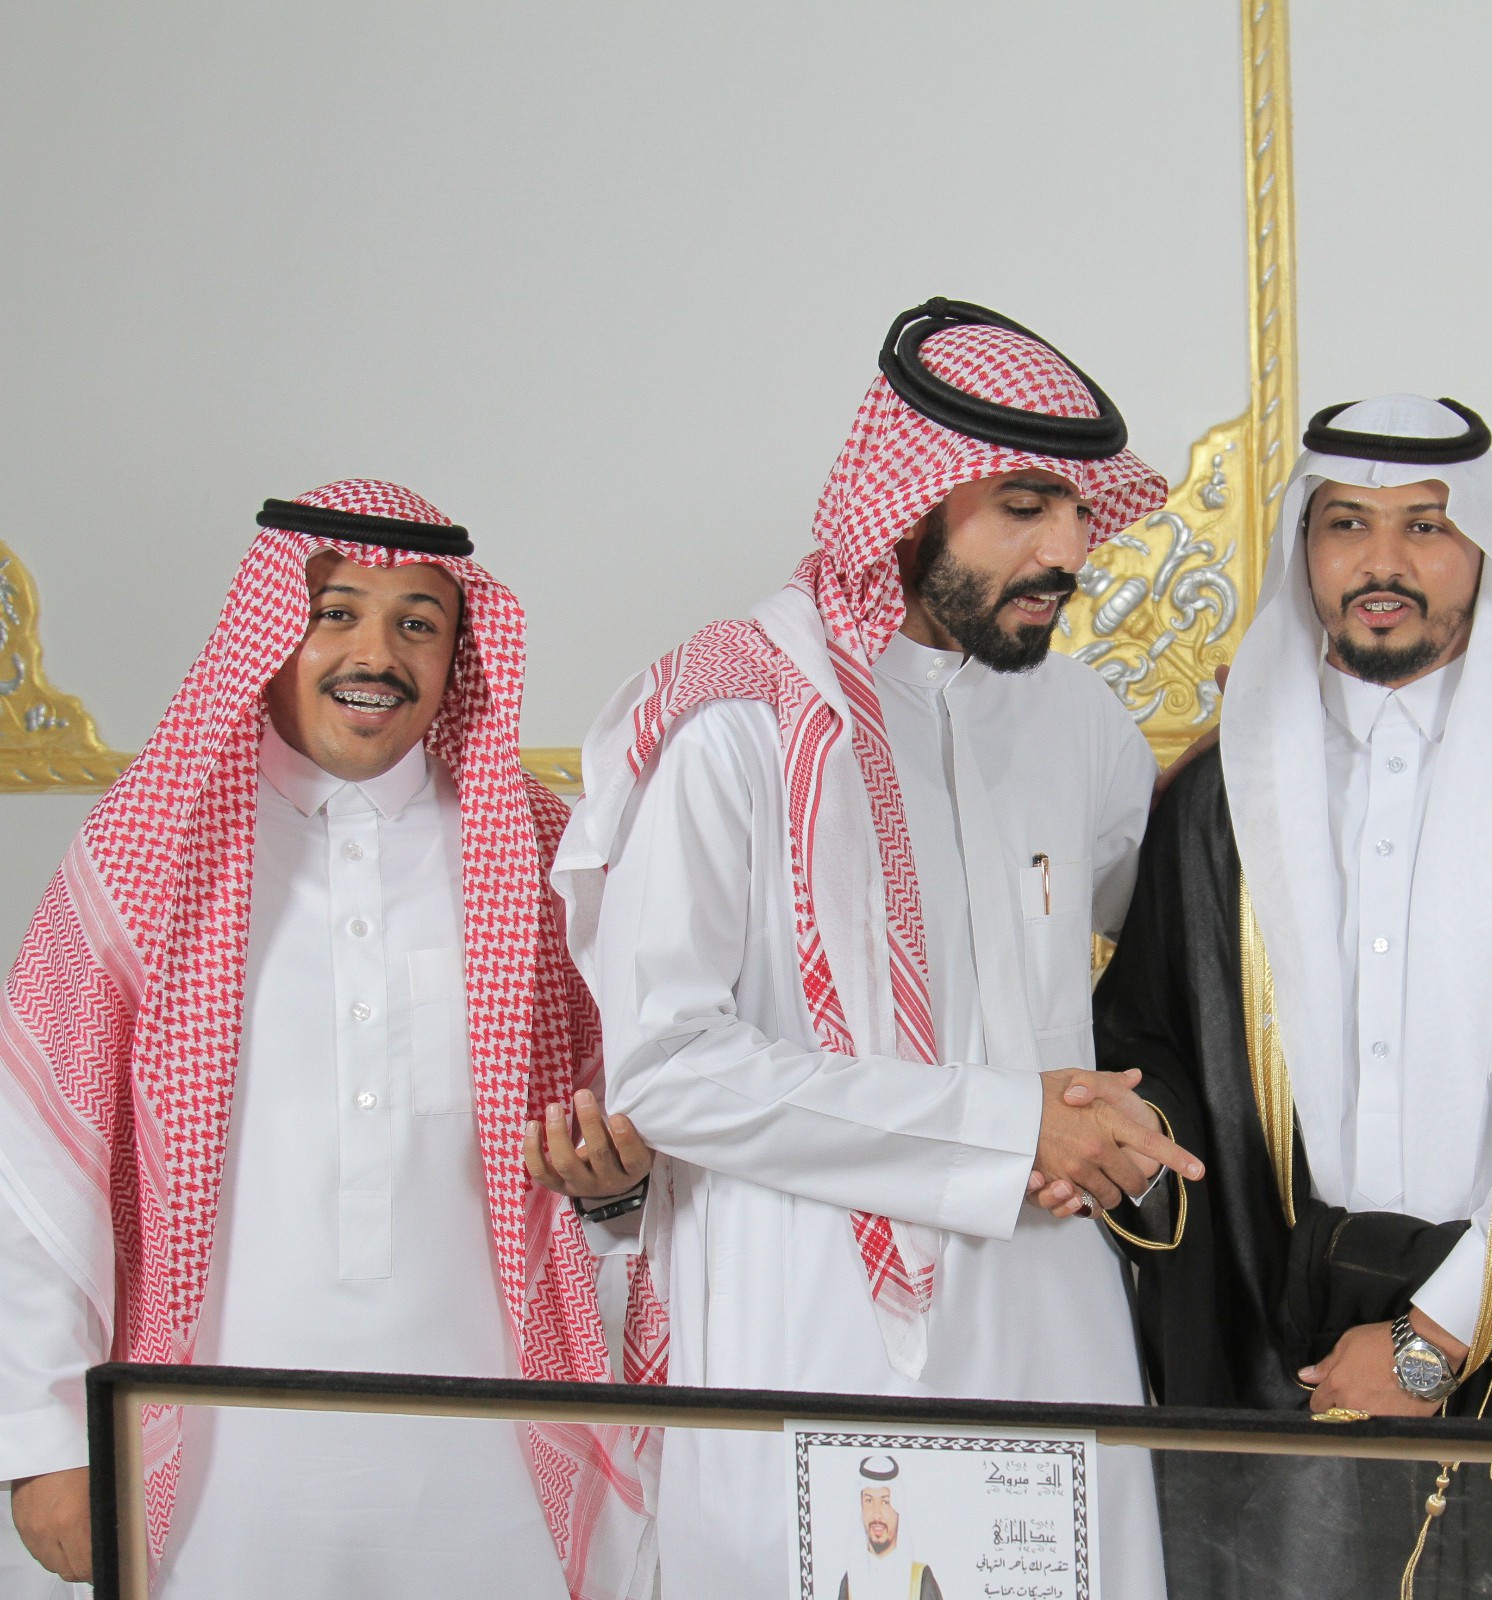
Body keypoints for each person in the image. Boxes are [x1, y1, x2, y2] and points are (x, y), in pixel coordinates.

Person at [529, 299, 1201, 1598]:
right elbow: (667, 1068)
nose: (1068, 549)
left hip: (1051, 1318)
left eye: (1077, 510)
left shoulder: (1081, 725)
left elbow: (1148, 960)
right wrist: (1004, 1124)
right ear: (911, 504)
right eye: (1023, 507)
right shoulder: (739, 720)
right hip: (812, 1321)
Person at [0, 483, 650, 1598]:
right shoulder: (148, 855)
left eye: (417, 623)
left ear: (458, 653)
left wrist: (619, 1190)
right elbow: (34, 1165)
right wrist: (43, 1439)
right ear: (269, 630)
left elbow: (633, 1150)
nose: (376, 654)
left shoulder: (547, 859)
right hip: (214, 1464)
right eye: (335, 612)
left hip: (496, 1458)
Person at [1091, 396, 1492, 1598]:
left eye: (1427, 526)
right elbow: (1154, 1049)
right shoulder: (1219, 801)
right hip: (1287, 1352)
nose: (1383, 563)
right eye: (1347, 524)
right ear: (1304, 550)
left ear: (1484, 550)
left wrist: (1432, 1337)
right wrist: (1132, 1137)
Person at [838, 1455, 939, 1600]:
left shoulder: (920, 1580)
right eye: (869, 1501)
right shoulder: (851, 1582)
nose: (876, 1514)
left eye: (885, 1502)